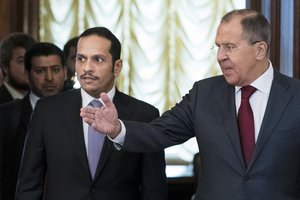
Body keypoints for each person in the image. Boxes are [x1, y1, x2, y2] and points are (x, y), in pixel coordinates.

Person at [80, 9, 300, 200]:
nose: (220, 56)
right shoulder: (203, 94)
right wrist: (118, 129)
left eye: (230, 47)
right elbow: (159, 131)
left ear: (260, 50)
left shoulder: (295, 97)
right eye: (218, 47)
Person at [16, 27, 167, 200]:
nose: (87, 68)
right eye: (81, 59)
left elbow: (154, 189)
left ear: (117, 67)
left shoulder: (144, 115)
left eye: (98, 60)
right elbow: (29, 184)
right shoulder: (47, 111)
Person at [0, 42, 67, 200]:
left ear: (65, 72)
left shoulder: (82, 112)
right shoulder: (7, 115)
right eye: (40, 71)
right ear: (27, 74)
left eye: (55, 70)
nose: (49, 78)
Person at [0, 33, 36, 105]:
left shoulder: (44, 100)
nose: (29, 67)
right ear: (5, 66)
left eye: (33, 60)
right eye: (21, 61)